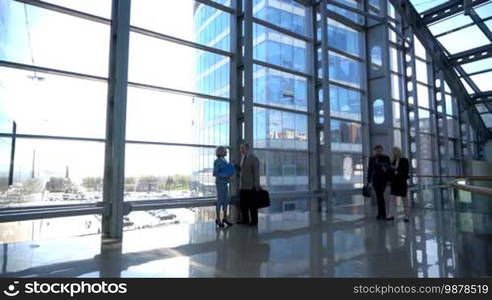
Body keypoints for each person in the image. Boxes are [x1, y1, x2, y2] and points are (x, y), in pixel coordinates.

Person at [237, 143, 261, 226]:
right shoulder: (242, 159)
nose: (241, 150)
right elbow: (242, 171)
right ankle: (245, 220)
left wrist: (256, 185)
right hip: (242, 186)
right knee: (243, 205)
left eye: (243, 149)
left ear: (247, 149)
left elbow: (256, 173)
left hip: (251, 186)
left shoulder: (254, 159)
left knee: (252, 205)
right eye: (241, 149)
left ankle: (254, 222)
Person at [367, 145, 392, 221]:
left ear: (382, 150)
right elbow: (370, 170)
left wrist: (389, 180)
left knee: (380, 196)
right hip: (375, 180)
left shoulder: (386, 158)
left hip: (383, 180)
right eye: (377, 150)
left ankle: (382, 214)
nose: (378, 152)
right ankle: (381, 214)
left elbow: (389, 169)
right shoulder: (372, 159)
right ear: (374, 151)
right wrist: (369, 181)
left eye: (380, 150)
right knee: (379, 196)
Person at [213, 146, 234, 228]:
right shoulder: (217, 161)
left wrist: (230, 169)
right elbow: (215, 173)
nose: (226, 152)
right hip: (220, 183)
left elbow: (227, 170)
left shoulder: (225, 161)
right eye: (225, 151)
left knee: (226, 200)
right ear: (221, 152)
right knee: (220, 200)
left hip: (225, 183)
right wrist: (224, 175)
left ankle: (225, 218)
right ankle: (218, 219)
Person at [389, 146, 410, 222]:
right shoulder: (392, 161)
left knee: (404, 199)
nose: (394, 153)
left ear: (399, 152)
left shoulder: (404, 160)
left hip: (402, 182)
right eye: (393, 151)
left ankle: (407, 215)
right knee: (392, 198)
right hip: (394, 182)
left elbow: (405, 171)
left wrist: (396, 169)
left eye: (395, 151)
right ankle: (392, 215)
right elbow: (391, 172)